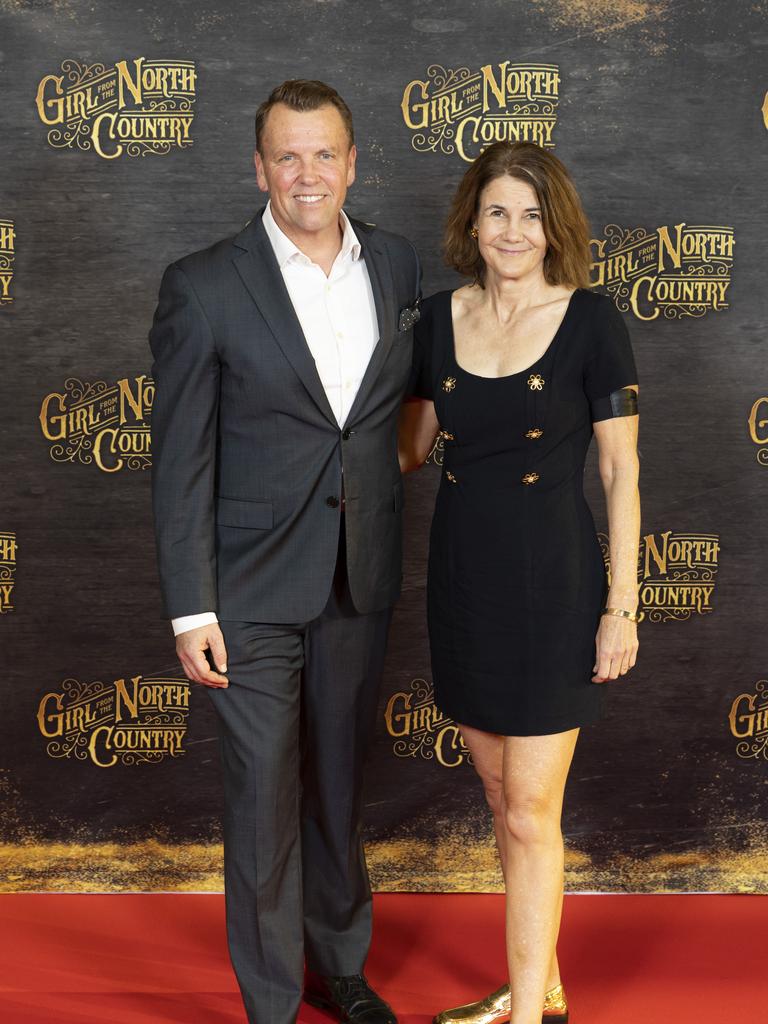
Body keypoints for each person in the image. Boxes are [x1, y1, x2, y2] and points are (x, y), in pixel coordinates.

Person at [150, 79, 420, 1024]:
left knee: (340, 782)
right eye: (288, 156)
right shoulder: (205, 283)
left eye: (326, 153)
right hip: (249, 589)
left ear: (354, 162)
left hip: (360, 572)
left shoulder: (393, 263)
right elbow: (181, 456)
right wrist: (193, 607)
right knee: (264, 797)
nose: (309, 174)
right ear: (258, 168)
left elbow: (400, 408)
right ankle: (270, 1002)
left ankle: (339, 968)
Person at [399, 141, 640, 1024]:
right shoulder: (435, 319)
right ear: (472, 221)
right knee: (502, 799)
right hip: (463, 579)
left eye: (531, 214)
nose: (513, 230)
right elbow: (409, 449)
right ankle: (543, 981)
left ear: (555, 227)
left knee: (534, 810)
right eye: (497, 211)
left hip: (554, 584)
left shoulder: (591, 318)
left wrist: (623, 606)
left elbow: (621, 473)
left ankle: (529, 1015)